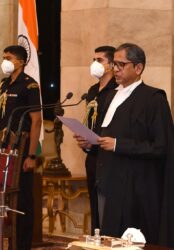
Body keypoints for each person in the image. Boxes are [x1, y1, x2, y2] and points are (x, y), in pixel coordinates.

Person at [88, 43, 173, 245]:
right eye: (114, 64)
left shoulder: (153, 99)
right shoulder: (109, 96)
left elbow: (161, 147)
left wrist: (119, 145)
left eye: (121, 64)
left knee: (127, 243)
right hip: (105, 181)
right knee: (106, 240)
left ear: (138, 68)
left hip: (134, 190)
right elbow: (105, 136)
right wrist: (90, 142)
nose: (115, 69)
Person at [0, 45, 42, 250]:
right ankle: (10, 241)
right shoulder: (4, 84)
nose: (5, 61)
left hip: (22, 148)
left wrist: (31, 155)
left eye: (9, 58)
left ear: (20, 61)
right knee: (7, 198)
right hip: (5, 146)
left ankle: (23, 245)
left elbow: (36, 121)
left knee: (23, 200)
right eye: (3, 57)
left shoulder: (29, 86)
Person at [74, 46, 117, 233]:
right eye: (94, 59)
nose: (95, 64)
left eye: (99, 60)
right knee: (95, 205)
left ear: (111, 65)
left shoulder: (117, 89)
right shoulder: (92, 91)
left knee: (109, 207)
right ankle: (96, 238)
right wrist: (84, 140)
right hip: (92, 157)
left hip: (109, 157)